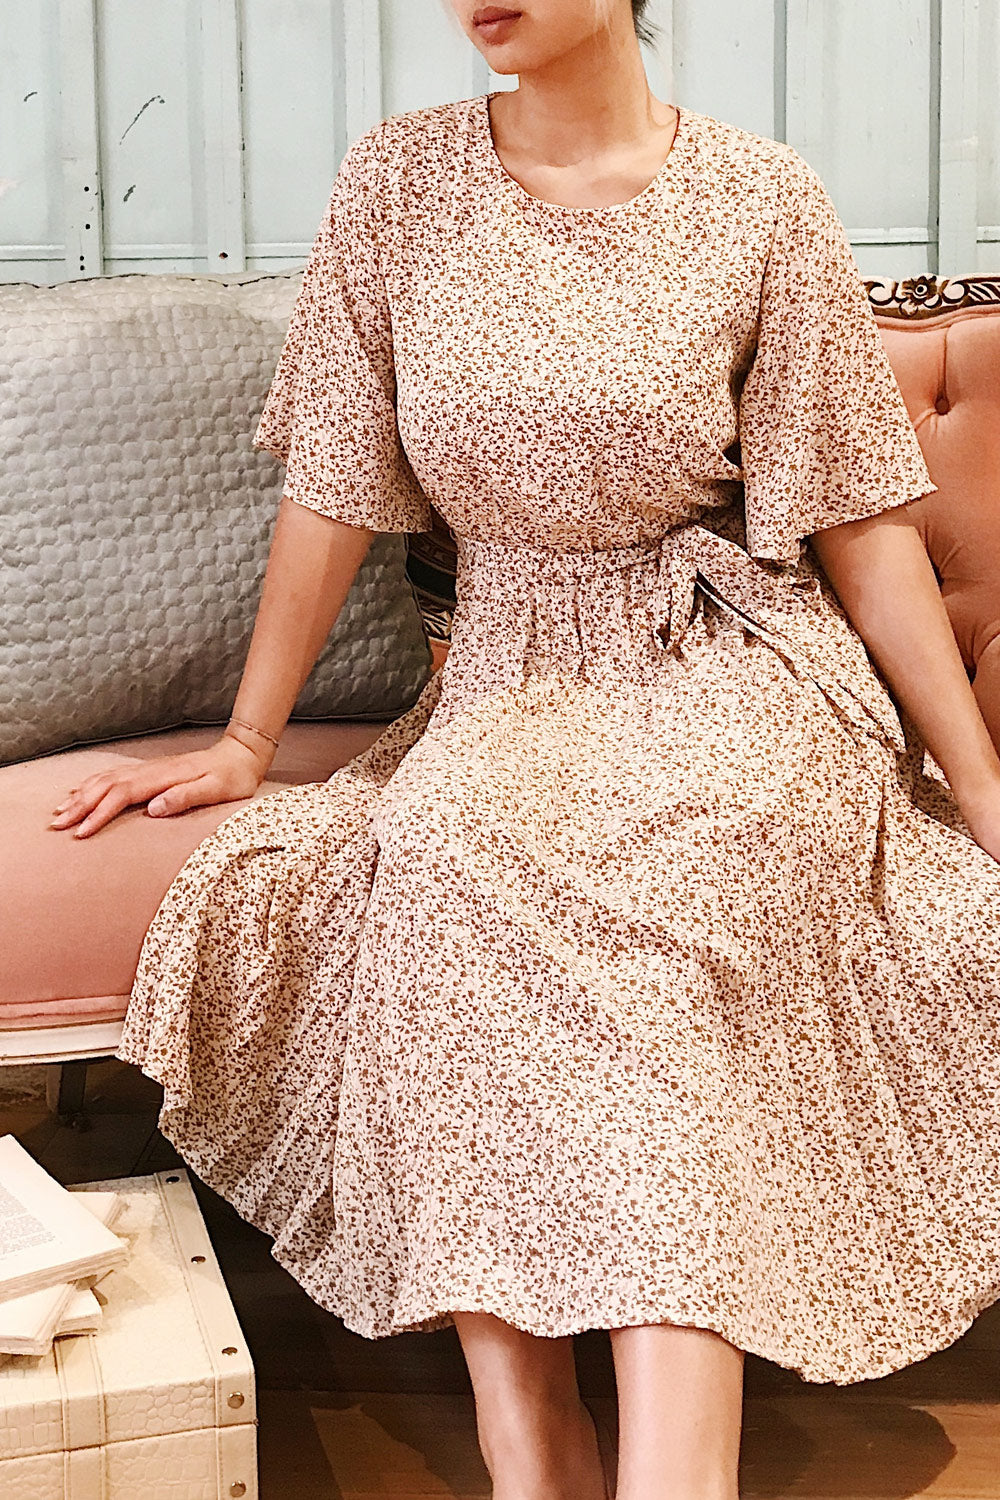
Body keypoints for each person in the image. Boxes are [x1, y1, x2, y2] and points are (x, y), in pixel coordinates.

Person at [49, 3, 1000, 1498]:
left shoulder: (761, 197)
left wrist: (981, 783)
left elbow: (858, 517)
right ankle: (531, 1439)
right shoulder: (398, 181)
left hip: (730, 657)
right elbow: (336, 478)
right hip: (512, 669)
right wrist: (246, 739)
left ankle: (677, 1472)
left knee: (686, 888)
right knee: (446, 860)